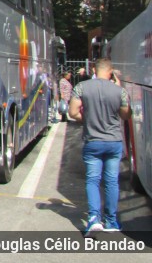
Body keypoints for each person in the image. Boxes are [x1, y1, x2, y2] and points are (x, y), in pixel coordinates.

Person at [68, 58, 131, 236]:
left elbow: (72, 112)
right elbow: (126, 115)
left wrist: (88, 119)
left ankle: (94, 219)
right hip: (113, 142)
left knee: (93, 180)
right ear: (111, 72)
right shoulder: (119, 91)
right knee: (111, 181)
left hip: (93, 141)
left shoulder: (82, 87)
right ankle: (111, 221)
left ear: (94, 69)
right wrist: (119, 89)